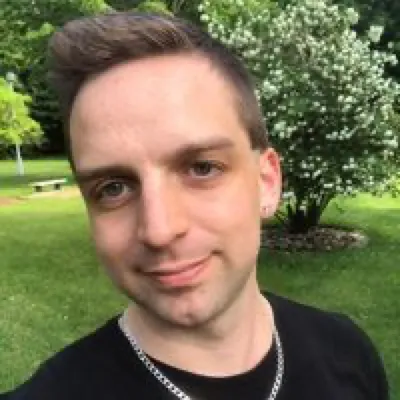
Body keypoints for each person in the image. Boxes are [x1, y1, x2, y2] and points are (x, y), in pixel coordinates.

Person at [4, 12, 388, 400]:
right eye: (114, 188)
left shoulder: (348, 354)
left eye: (202, 168)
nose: (159, 230)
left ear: (267, 182)